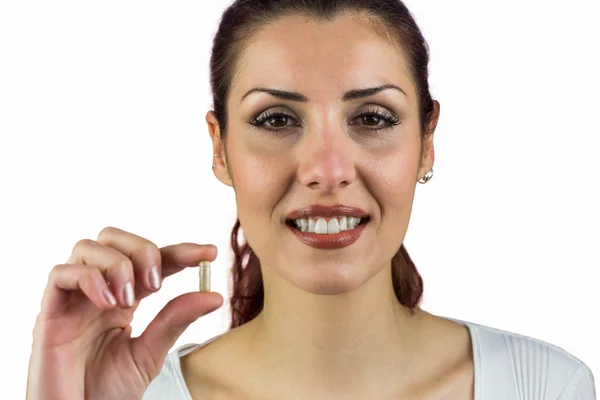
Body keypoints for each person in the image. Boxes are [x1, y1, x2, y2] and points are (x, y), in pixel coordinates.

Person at [27, 0, 596, 399]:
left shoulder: (546, 388)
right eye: (277, 119)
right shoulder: (132, 396)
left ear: (427, 142)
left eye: (372, 118)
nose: (328, 170)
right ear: (220, 149)